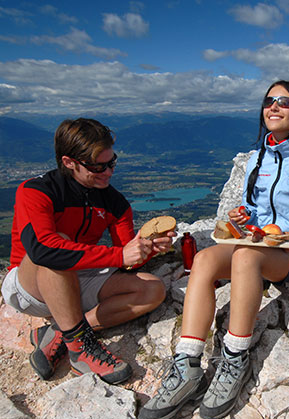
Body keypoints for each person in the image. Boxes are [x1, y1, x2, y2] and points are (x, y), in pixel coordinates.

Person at [138, 80, 289, 419]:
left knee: (245, 258)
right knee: (206, 258)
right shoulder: (258, 158)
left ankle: (236, 355)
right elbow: (254, 209)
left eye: (284, 102)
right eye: (269, 101)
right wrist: (243, 216)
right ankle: (187, 364)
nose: (274, 107)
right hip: (261, 244)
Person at [1, 118, 175, 385]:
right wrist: (118, 256)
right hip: (30, 285)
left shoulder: (113, 201)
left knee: (153, 290)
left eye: (111, 162)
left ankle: (63, 331)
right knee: (56, 247)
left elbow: (127, 260)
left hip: (80, 278)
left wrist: (147, 249)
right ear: (69, 162)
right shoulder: (37, 191)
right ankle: (80, 350)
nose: (108, 172)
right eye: (98, 166)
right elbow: (43, 249)